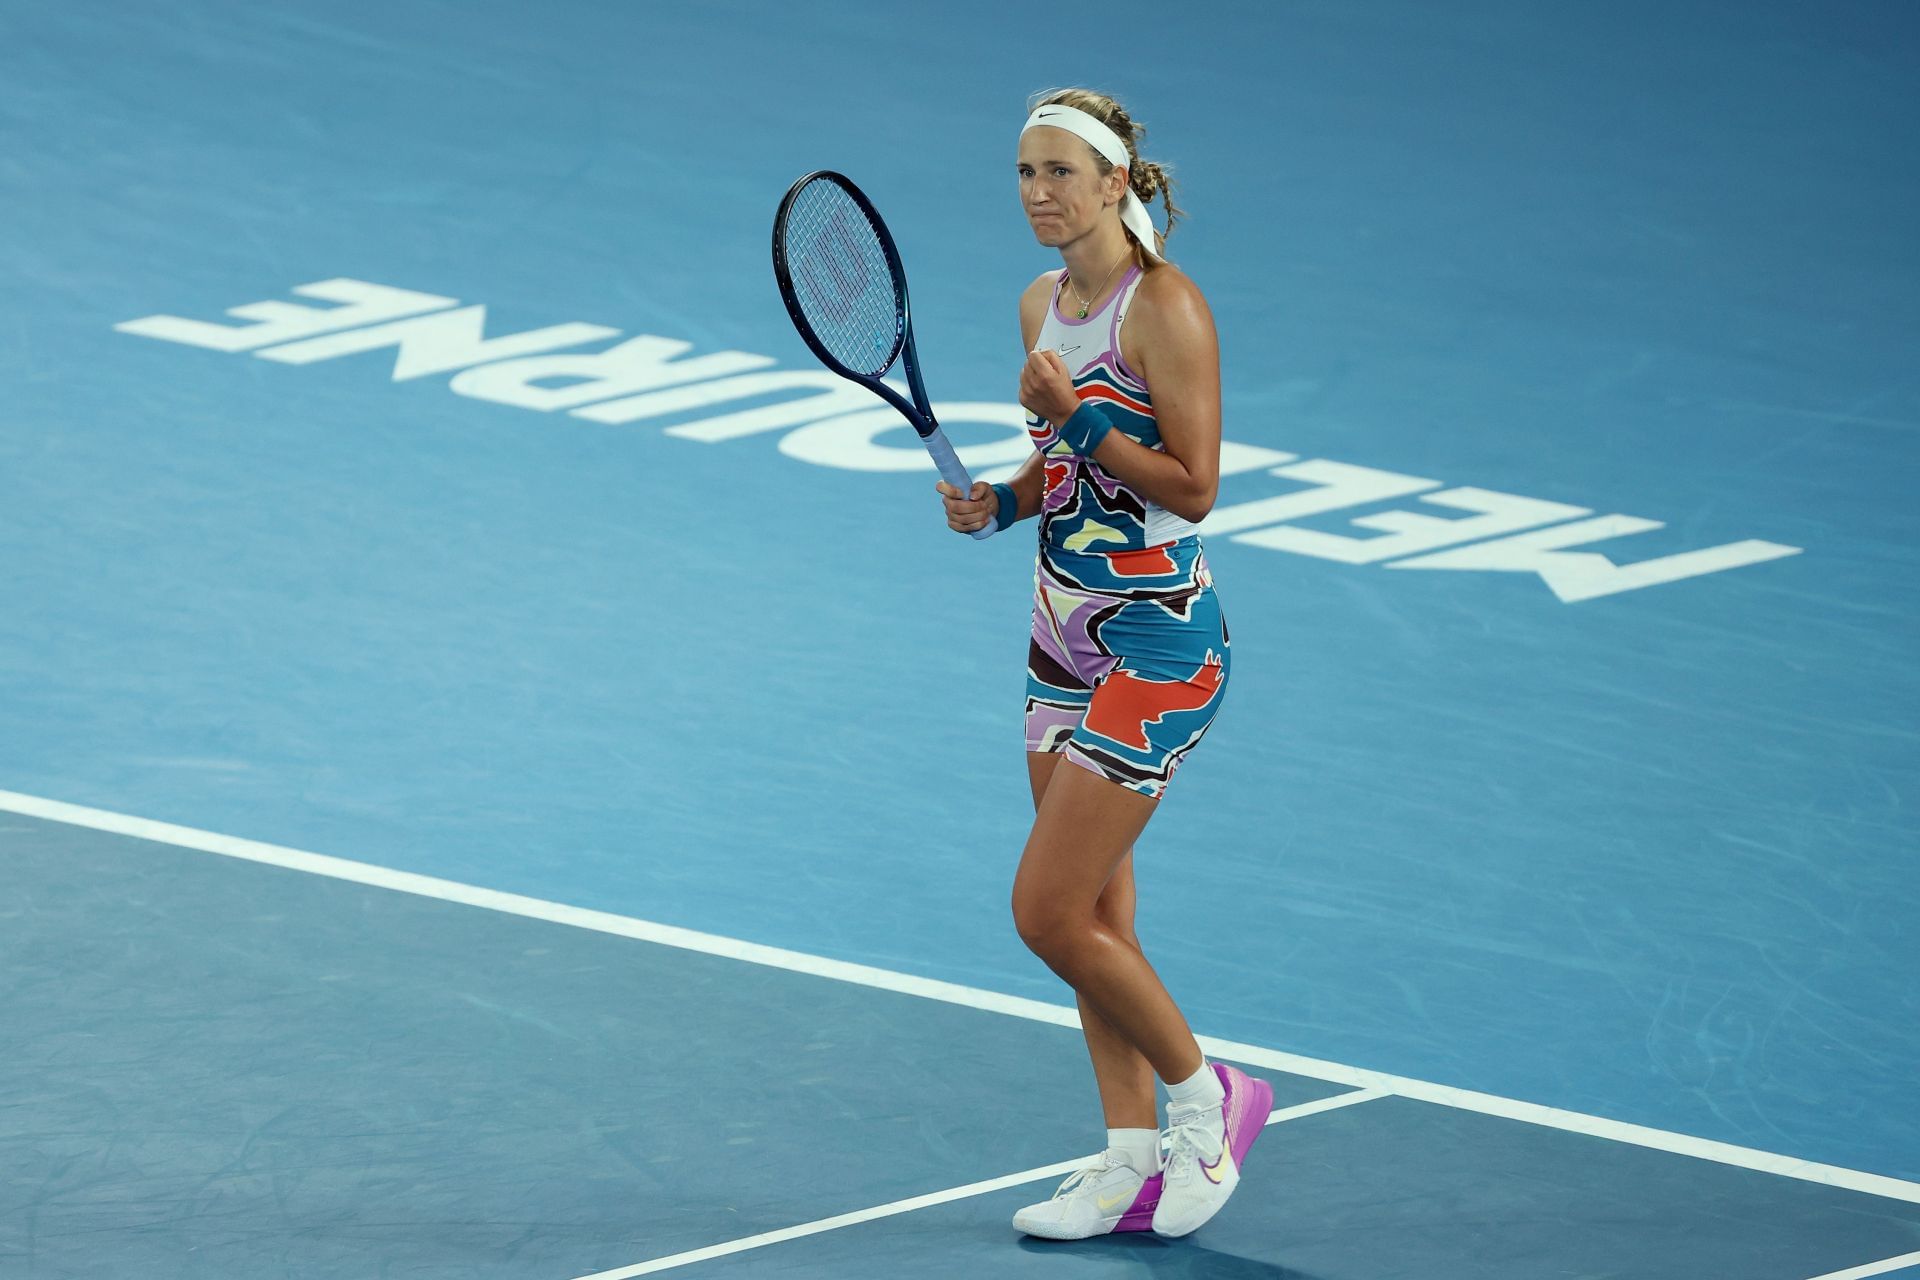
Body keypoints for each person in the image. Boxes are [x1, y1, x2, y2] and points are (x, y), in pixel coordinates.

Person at [937, 87, 1273, 1241]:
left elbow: (1191, 484)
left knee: (1044, 909)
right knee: (1098, 912)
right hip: (1060, 634)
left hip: (1161, 647)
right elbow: (1063, 476)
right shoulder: (1041, 301)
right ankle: (1130, 1156)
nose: (1037, 195)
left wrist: (1074, 415)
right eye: (1024, 174)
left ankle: (1207, 1100)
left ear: (1115, 183)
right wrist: (1001, 503)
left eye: (1059, 174)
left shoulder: (1166, 308)